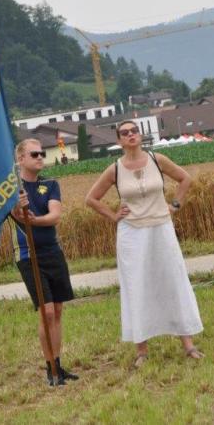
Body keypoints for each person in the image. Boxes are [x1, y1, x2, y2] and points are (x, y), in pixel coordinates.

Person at [85, 121, 204, 368]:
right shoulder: (115, 169)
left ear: (140, 135)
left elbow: (185, 179)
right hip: (131, 233)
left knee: (172, 279)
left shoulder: (157, 159)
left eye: (134, 131)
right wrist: (113, 216)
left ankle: (188, 344)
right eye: (125, 133)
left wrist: (175, 206)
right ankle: (142, 351)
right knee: (136, 285)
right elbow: (91, 199)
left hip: (161, 227)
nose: (131, 135)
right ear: (119, 140)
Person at [10, 138, 79, 386]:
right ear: (21, 159)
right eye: (34, 154)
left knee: (57, 310)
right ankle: (50, 368)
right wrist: (17, 209)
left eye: (42, 153)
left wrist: (33, 219)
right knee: (46, 311)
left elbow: (55, 216)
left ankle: (57, 364)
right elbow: (13, 215)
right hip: (28, 254)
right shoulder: (11, 190)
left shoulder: (50, 184)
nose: (40, 157)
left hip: (53, 251)